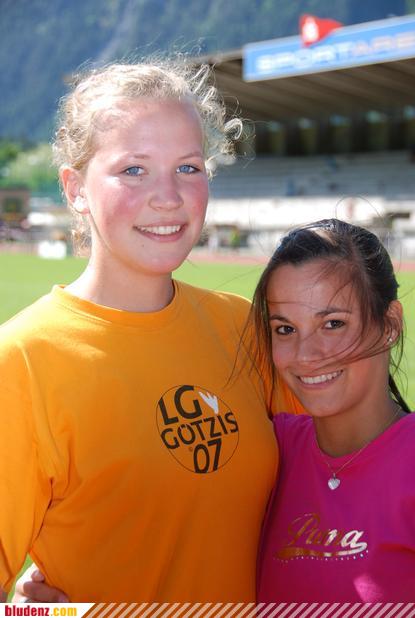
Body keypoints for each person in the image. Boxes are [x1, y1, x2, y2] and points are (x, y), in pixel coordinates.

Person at [0, 60, 301, 603]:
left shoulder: (242, 328)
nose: (168, 195)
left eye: (188, 167)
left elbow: (334, 489)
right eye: (134, 169)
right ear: (75, 188)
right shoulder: (21, 360)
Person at [252, 219, 415, 602]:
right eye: (285, 329)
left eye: (333, 323)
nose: (306, 355)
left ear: (389, 324)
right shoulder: (265, 450)